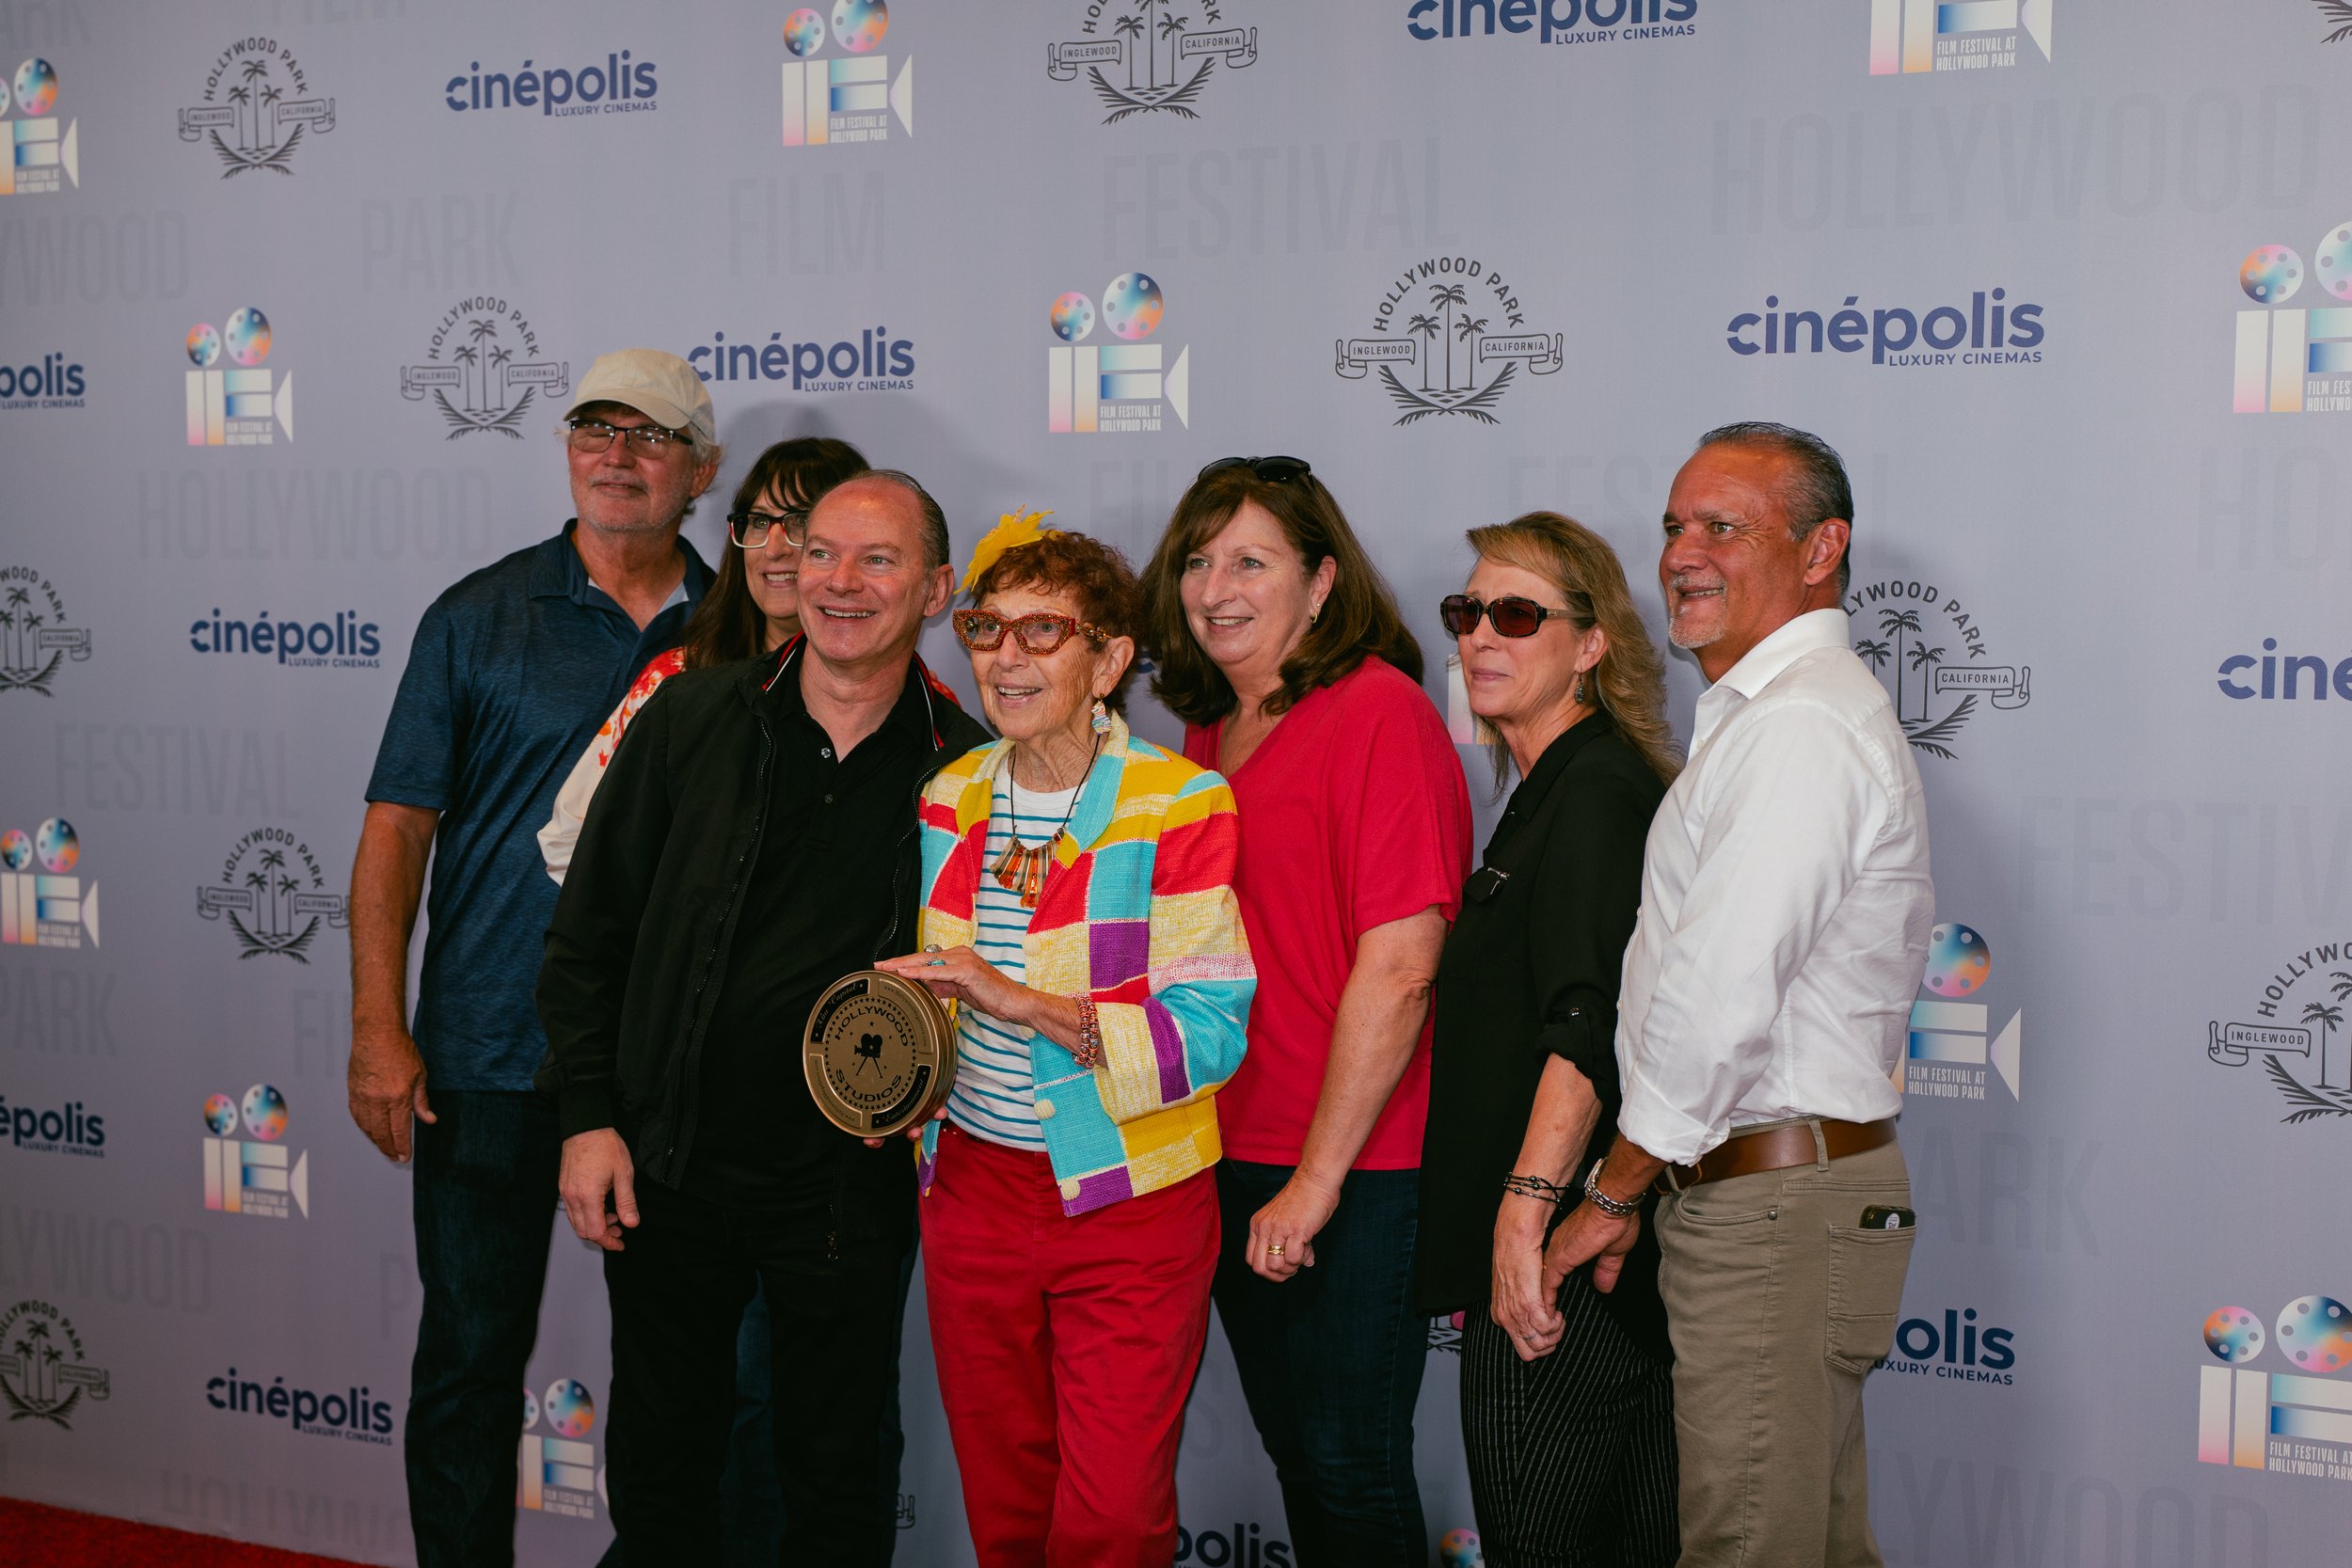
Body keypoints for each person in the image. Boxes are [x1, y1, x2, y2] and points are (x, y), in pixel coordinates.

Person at [533, 471, 990, 1567]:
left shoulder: (971, 769)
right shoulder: (692, 715)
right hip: (668, 1166)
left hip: (846, 1192)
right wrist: (588, 1116)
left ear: (933, 588)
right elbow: (586, 937)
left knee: (833, 1481)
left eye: (877, 559)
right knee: (663, 1473)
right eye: (821, 550)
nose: (838, 580)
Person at [349, 348, 719, 1568]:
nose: (617, 453)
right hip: (487, 1056)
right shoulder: (476, 614)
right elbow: (397, 828)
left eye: (650, 434)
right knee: (467, 1359)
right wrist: (376, 1024)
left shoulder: (741, 631)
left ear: (701, 469)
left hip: (665, 1073)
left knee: (673, 1383)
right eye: (594, 427)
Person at [1542, 423, 1931, 1568]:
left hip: (1771, 1201)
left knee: (1749, 1548)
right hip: (1768, 1192)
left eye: (1724, 525)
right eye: (1673, 525)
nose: (1682, 552)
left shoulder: (1799, 723)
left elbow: (1716, 1002)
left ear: (1823, 551)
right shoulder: (1770, 714)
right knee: (1802, 1542)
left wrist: (1611, 1192)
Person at [871, 518, 1254, 1568]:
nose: (1004, 654)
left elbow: (1207, 1035)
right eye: (988, 627)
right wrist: (906, 1077)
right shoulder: (950, 795)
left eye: (1043, 630)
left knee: (1109, 1521)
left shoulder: (1177, 802)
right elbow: (944, 996)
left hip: (1128, 1191)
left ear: (1112, 658)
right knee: (1006, 1505)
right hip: (971, 1195)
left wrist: (1023, 1000)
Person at [1138, 456, 1470, 1568]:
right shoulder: (1205, 733)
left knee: (1347, 1459)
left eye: (1251, 560)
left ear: (1321, 582)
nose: (1215, 586)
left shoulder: (1378, 711)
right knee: (1299, 1455)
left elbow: (1402, 967)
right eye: (1198, 559)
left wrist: (1317, 1180)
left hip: (1350, 1169)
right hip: (1225, 1149)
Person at [1417, 514, 1682, 1568]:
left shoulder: (1596, 791)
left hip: (1557, 1273)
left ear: (1590, 643)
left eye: (1516, 613)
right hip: (1566, 1260)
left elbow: (1589, 1024)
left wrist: (1524, 1221)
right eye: (1466, 611)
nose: (1482, 634)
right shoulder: (1550, 791)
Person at [539, 436, 869, 881]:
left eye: (800, 522)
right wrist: (675, 930)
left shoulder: (918, 703)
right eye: (757, 522)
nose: (773, 549)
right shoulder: (677, 680)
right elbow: (570, 839)